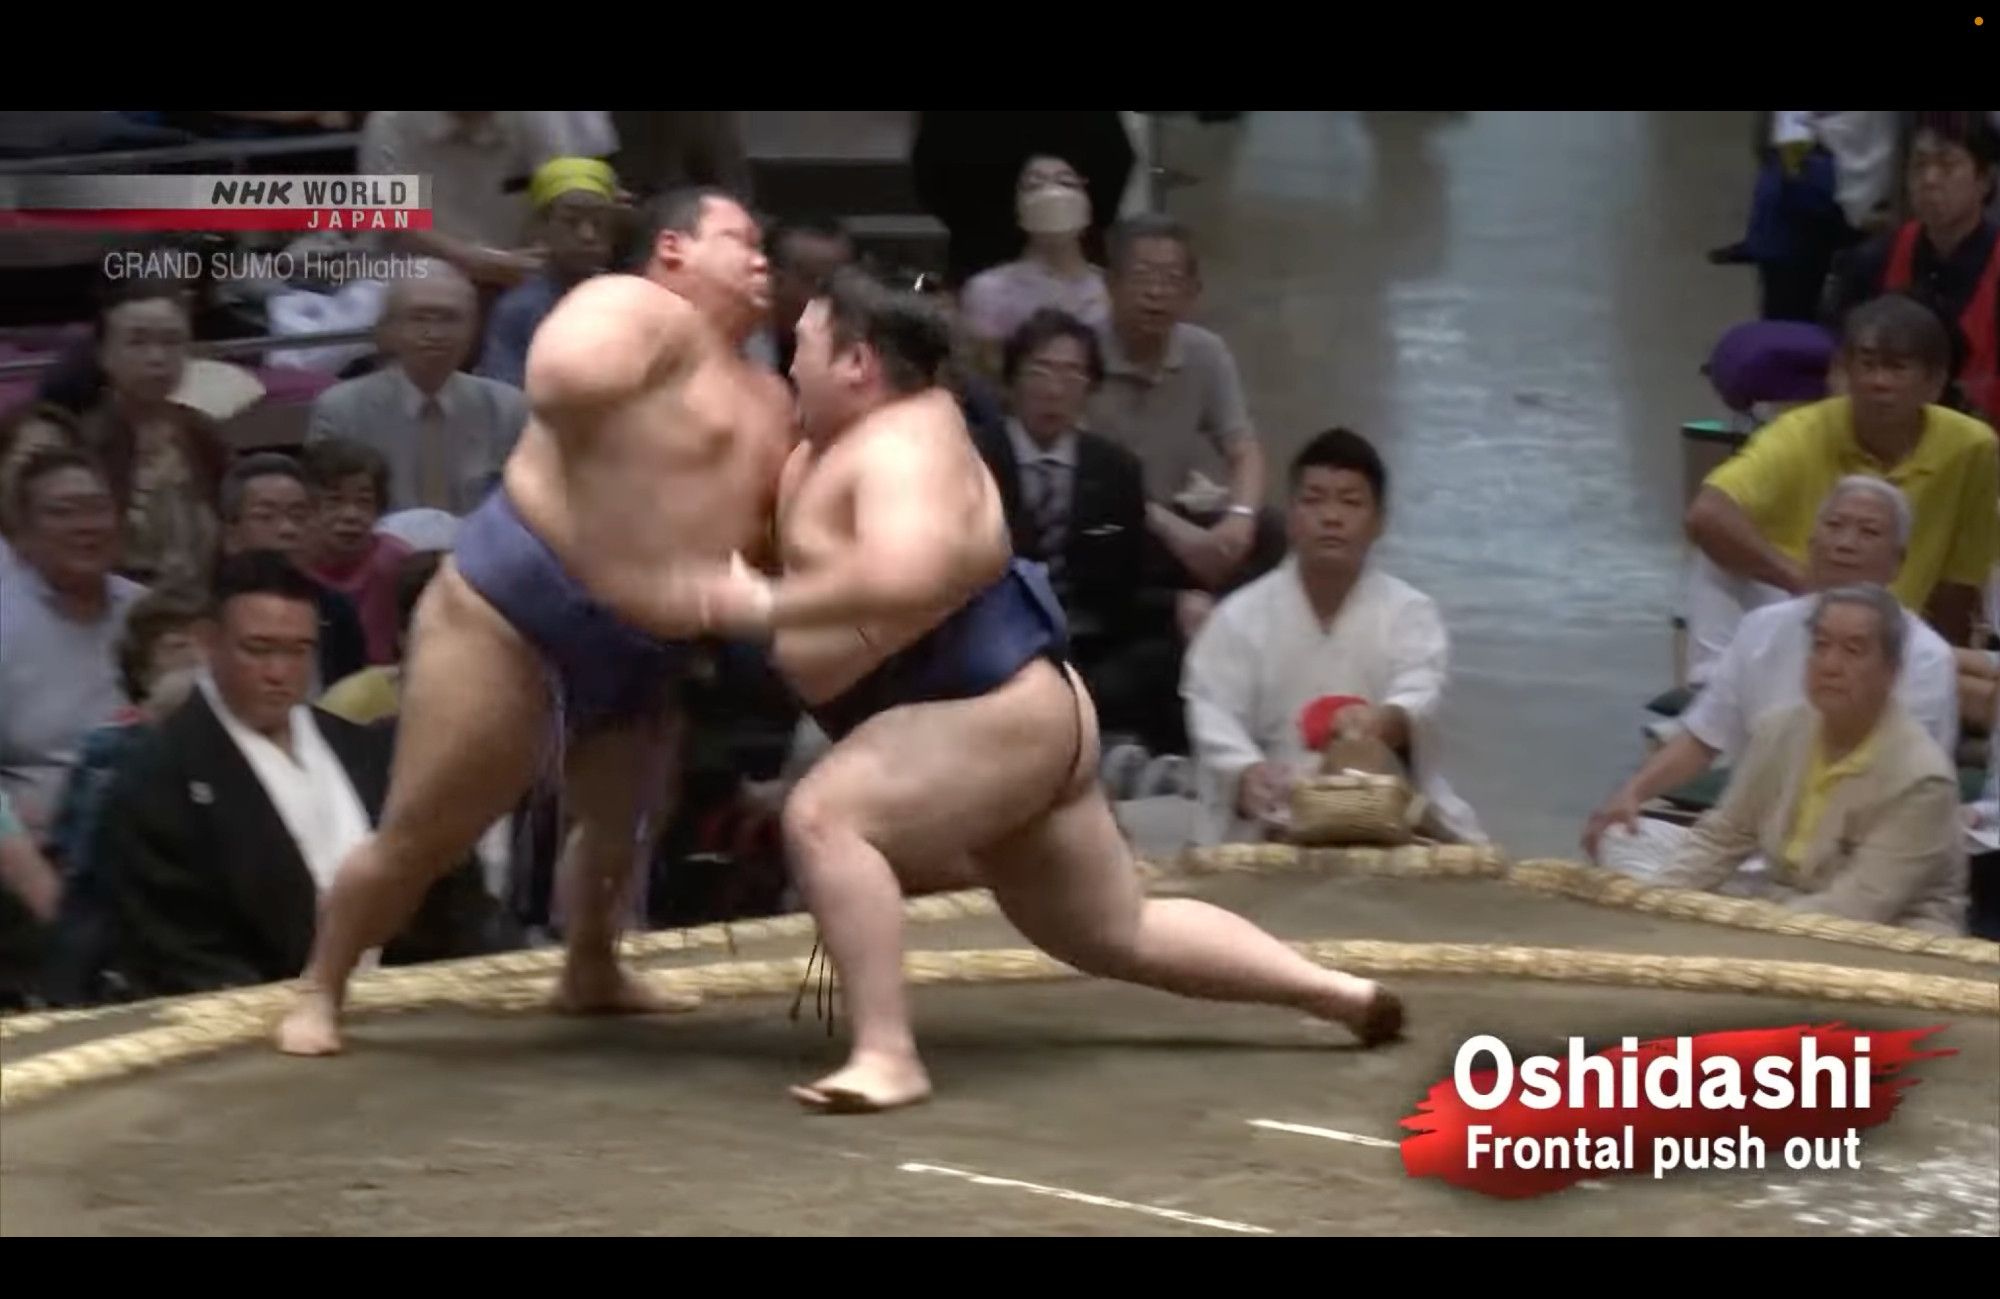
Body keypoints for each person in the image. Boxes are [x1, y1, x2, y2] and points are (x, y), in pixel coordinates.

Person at [696, 269, 1403, 1114]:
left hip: (991, 710)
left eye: (803, 345)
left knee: (826, 814)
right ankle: (1338, 993)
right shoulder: (833, 451)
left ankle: (888, 1052)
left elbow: (897, 579)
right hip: (1017, 716)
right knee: (1116, 930)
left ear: (855, 362)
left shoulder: (907, 443)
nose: (788, 362)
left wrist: (768, 606)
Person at [273, 185, 795, 1057]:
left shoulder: (768, 397)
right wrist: (664, 354)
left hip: (639, 644)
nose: (760, 257)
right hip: (513, 611)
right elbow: (561, 377)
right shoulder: (628, 308)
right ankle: (321, 982)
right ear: (671, 249)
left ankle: (591, 965)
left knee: (624, 821)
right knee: (429, 827)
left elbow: (768, 533)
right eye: (738, 238)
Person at [104, 553, 503, 997]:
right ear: (208, 641)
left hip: (410, 1001)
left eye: (298, 651)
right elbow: (181, 947)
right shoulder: (158, 775)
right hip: (254, 1014)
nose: (278, 673)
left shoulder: (363, 745)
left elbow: (449, 886)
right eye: (258, 649)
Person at [1589, 478, 1959, 876]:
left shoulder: (1925, 657)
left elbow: (1901, 792)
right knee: (1622, 836)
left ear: (1897, 561)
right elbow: (1703, 736)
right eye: (1834, 526)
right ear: (1811, 543)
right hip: (1746, 841)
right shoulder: (1761, 628)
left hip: (1852, 856)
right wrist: (1633, 792)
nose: (1845, 543)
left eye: (1868, 532)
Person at [1182, 428, 1485, 846]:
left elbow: (1421, 690)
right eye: (1314, 500)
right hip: (1279, 801)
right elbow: (1213, 713)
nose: (1332, 516)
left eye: (1350, 502)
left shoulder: (1410, 612)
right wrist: (1246, 772)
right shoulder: (1239, 617)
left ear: (1379, 521)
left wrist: (1388, 719)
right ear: (1290, 518)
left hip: (1383, 797)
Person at [1684, 293, 1999, 652]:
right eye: (1867, 365)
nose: (1879, 382)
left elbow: (1959, 581)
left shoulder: (1970, 447)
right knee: (1713, 556)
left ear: (1934, 383)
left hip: (1892, 631)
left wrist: (1944, 668)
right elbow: (1706, 514)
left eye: (1897, 368)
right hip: (1795, 614)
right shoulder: (1801, 432)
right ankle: (1707, 684)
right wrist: (1804, 583)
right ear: (1843, 372)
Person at [1649, 585, 1967, 934]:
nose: (1830, 665)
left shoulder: (1922, 779)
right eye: (1821, 646)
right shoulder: (1779, 730)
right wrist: (1656, 899)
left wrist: (1741, 930)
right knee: (1630, 849)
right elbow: (1723, 836)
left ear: (1891, 671)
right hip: (1779, 903)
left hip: (1889, 936)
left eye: (1853, 650)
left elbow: (1857, 906)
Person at [968, 309, 1184, 757]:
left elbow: (1134, 579)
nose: (1054, 388)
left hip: (1090, 643)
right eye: (1040, 371)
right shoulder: (969, 458)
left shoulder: (1116, 469)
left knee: (1166, 655)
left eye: (1071, 374)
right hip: (994, 638)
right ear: (1012, 380)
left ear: (1090, 387)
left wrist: (1186, 603)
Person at [0, 449, 145, 837]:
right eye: (62, 511)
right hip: (29, 847)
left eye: (97, 508)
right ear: (22, 535)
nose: (86, 525)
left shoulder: (148, 612)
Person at [306, 261, 528, 514]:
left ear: (474, 329)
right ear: (387, 329)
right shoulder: (341, 411)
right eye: (419, 318)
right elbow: (329, 513)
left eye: (449, 319)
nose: (434, 333)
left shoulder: (508, 408)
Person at [1826, 112, 2000, 424]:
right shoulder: (1871, 261)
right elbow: (1840, 361)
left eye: (1947, 166)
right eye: (1919, 166)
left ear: (1984, 181)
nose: (1930, 179)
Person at [75, 283, 227, 587]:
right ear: (104, 354)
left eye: (172, 342)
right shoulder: (80, 441)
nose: (157, 357)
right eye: (137, 342)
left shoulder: (201, 433)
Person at [217, 454, 369, 691]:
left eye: (298, 517)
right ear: (231, 535)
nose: (287, 529)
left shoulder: (336, 611)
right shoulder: (203, 608)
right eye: (266, 516)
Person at [477, 157, 622, 389]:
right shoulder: (520, 308)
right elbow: (505, 394)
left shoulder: (629, 300)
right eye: (571, 221)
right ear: (542, 227)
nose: (588, 235)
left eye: (598, 222)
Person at [959, 156, 1113, 370]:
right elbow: (986, 374)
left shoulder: (1112, 289)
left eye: (1066, 182)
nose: (1051, 193)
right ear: (1018, 208)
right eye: (1034, 185)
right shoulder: (989, 290)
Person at [302, 439, 413, 665]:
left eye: (364, 502)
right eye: (335, 501)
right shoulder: (292, 564)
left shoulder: (396, 562)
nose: (351, 515)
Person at [749, 216, 854, 377]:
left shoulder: (855, 350)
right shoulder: (737, 348)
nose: (830, 297)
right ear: (773, 277)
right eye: (818, 283)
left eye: (840, 284)